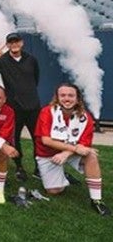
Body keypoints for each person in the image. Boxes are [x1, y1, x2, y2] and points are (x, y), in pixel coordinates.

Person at [34, 83, 110, 216]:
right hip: (48, 154)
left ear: (77, 98)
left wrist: (66, 153)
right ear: (57, 98)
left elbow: (83, 145)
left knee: (91, 156)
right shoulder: (47, 112)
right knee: (54, 191)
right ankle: (62, 176)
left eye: (71, 95)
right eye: (63, 95)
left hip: (69, 152)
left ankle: (96, 200)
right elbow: (46, 140)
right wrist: (73, 148)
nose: (67, 99)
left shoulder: (85, 117)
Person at [0, 32, 41, 181]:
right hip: (14, 107)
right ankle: (19, 167)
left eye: (16, 41)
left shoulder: (31, 59)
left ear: (22, 43)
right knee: (14, 138)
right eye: (11, 42)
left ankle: (39, 168)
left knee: (38, 138)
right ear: (7, 45)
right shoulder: (2, 60)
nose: (14, 45)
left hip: (33, 106)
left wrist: (28, 93)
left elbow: (36, 78)